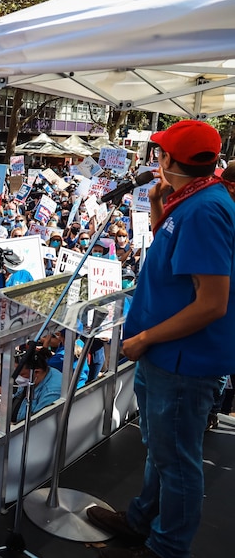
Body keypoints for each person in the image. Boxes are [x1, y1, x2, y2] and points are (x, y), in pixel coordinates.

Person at [87, 120, 235, 558]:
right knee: (160, 450)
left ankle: (166, 549)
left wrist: (144, 337)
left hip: (182, 362)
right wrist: (157, 204)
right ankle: (139, 521)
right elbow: (174, 259)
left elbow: (212, 303)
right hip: (164, 356)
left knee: (178, 463)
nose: (155, 160)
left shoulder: (206, 209)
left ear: (171, 159)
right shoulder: (189, 201)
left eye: (160, 153)